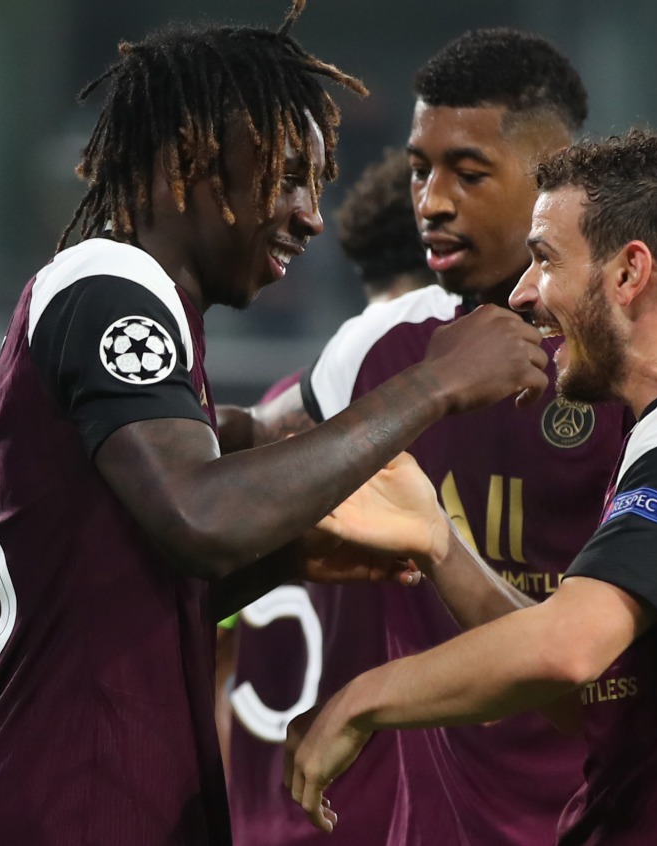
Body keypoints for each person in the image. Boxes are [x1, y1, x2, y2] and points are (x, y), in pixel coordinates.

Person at [0, 6, 550, 845]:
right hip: (71, 807)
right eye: (290, 176)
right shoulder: (111, 286)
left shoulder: (151, 318)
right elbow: (202, 517)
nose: (310, 215)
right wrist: (433, 382)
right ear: (195, 162)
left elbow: (126, 600)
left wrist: (292, 557)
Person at [286, 129, 657, 845]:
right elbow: (593, 691)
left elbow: (567, 647)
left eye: (545, 258)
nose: (524, 293)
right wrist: (441, 543)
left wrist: (360, 701)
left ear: (629, 273)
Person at [227, 29, 630, 846]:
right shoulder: (381, 346)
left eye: (468, 172)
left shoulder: (635, 373)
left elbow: (606, 681)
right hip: (415, 822)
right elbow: (241, 462)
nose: (432, 200)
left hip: (595, 816)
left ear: (555, 178)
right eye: (419, 169)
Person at [213, 145, 433, 774]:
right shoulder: (444, 409)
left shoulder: (279, 410)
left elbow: (215, 650)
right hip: (375, 800)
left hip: (261, 807)